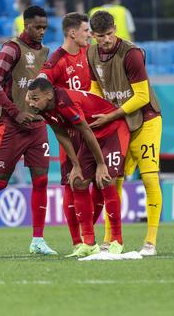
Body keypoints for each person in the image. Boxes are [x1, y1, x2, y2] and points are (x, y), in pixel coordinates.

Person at [26, 77, 130, 257]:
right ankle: (89, 243)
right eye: (29, 98)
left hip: (113, 130)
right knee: (78, 182)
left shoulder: (65, 102)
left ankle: (117, 240)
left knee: (105, 180)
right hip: (93, 135)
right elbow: (62, 135)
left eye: (35, 99)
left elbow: (85, 131)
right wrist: (76, 165)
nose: (31, 103)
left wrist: (100, 164)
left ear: (49, 95)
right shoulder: (44, 109)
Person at [0, 5, 57, 255]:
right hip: (12, 126)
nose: (42, 32)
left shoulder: (45, 52)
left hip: (37, 127)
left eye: (45, 27)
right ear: (26, 25)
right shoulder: (11, 49)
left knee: (42, 180)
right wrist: (16, 112)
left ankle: (38, 240)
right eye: (38, 27)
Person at [88, 10, 162, 256]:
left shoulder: (131, 54)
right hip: (118, 122)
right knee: (112, 180)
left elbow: (141, 97)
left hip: (146, 120)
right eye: (100, 36)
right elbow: (95, 87)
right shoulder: (90, 53)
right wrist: (99, 111)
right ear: (93, 35)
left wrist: (109, 115)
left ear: (115, 29)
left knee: (150, 178)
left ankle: (150, 241)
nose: (106, 40)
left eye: (109, 34)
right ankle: (109, 239)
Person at [38, 12, 92, 256]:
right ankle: (77, 243)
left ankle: (97, 240)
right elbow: (39, 85)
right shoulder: (57, 59)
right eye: (85, 30)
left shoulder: (85, 53)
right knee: (72, 183)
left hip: (89, 127)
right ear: (72, 33)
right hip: (69, 132)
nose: (89, 35)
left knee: (99, 182)